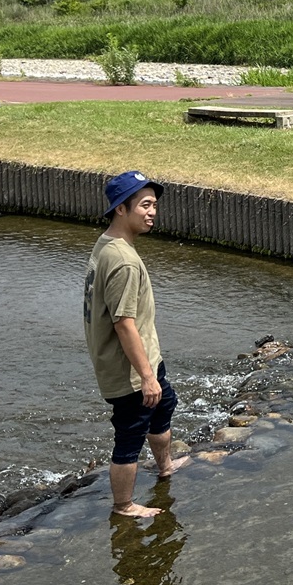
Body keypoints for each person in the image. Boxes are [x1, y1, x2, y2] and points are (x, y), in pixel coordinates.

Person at [83, 171, 187, 518]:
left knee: (164, 405)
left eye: (154, 204)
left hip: (145, 358)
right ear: (120, 210)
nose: (152, 212)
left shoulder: (107, 245)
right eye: (144, 205)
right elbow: (124, 324)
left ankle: (165, 465)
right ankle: (124, 506)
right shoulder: (124, 261)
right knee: (129, 436)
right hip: (129, 370)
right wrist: (146, 376)